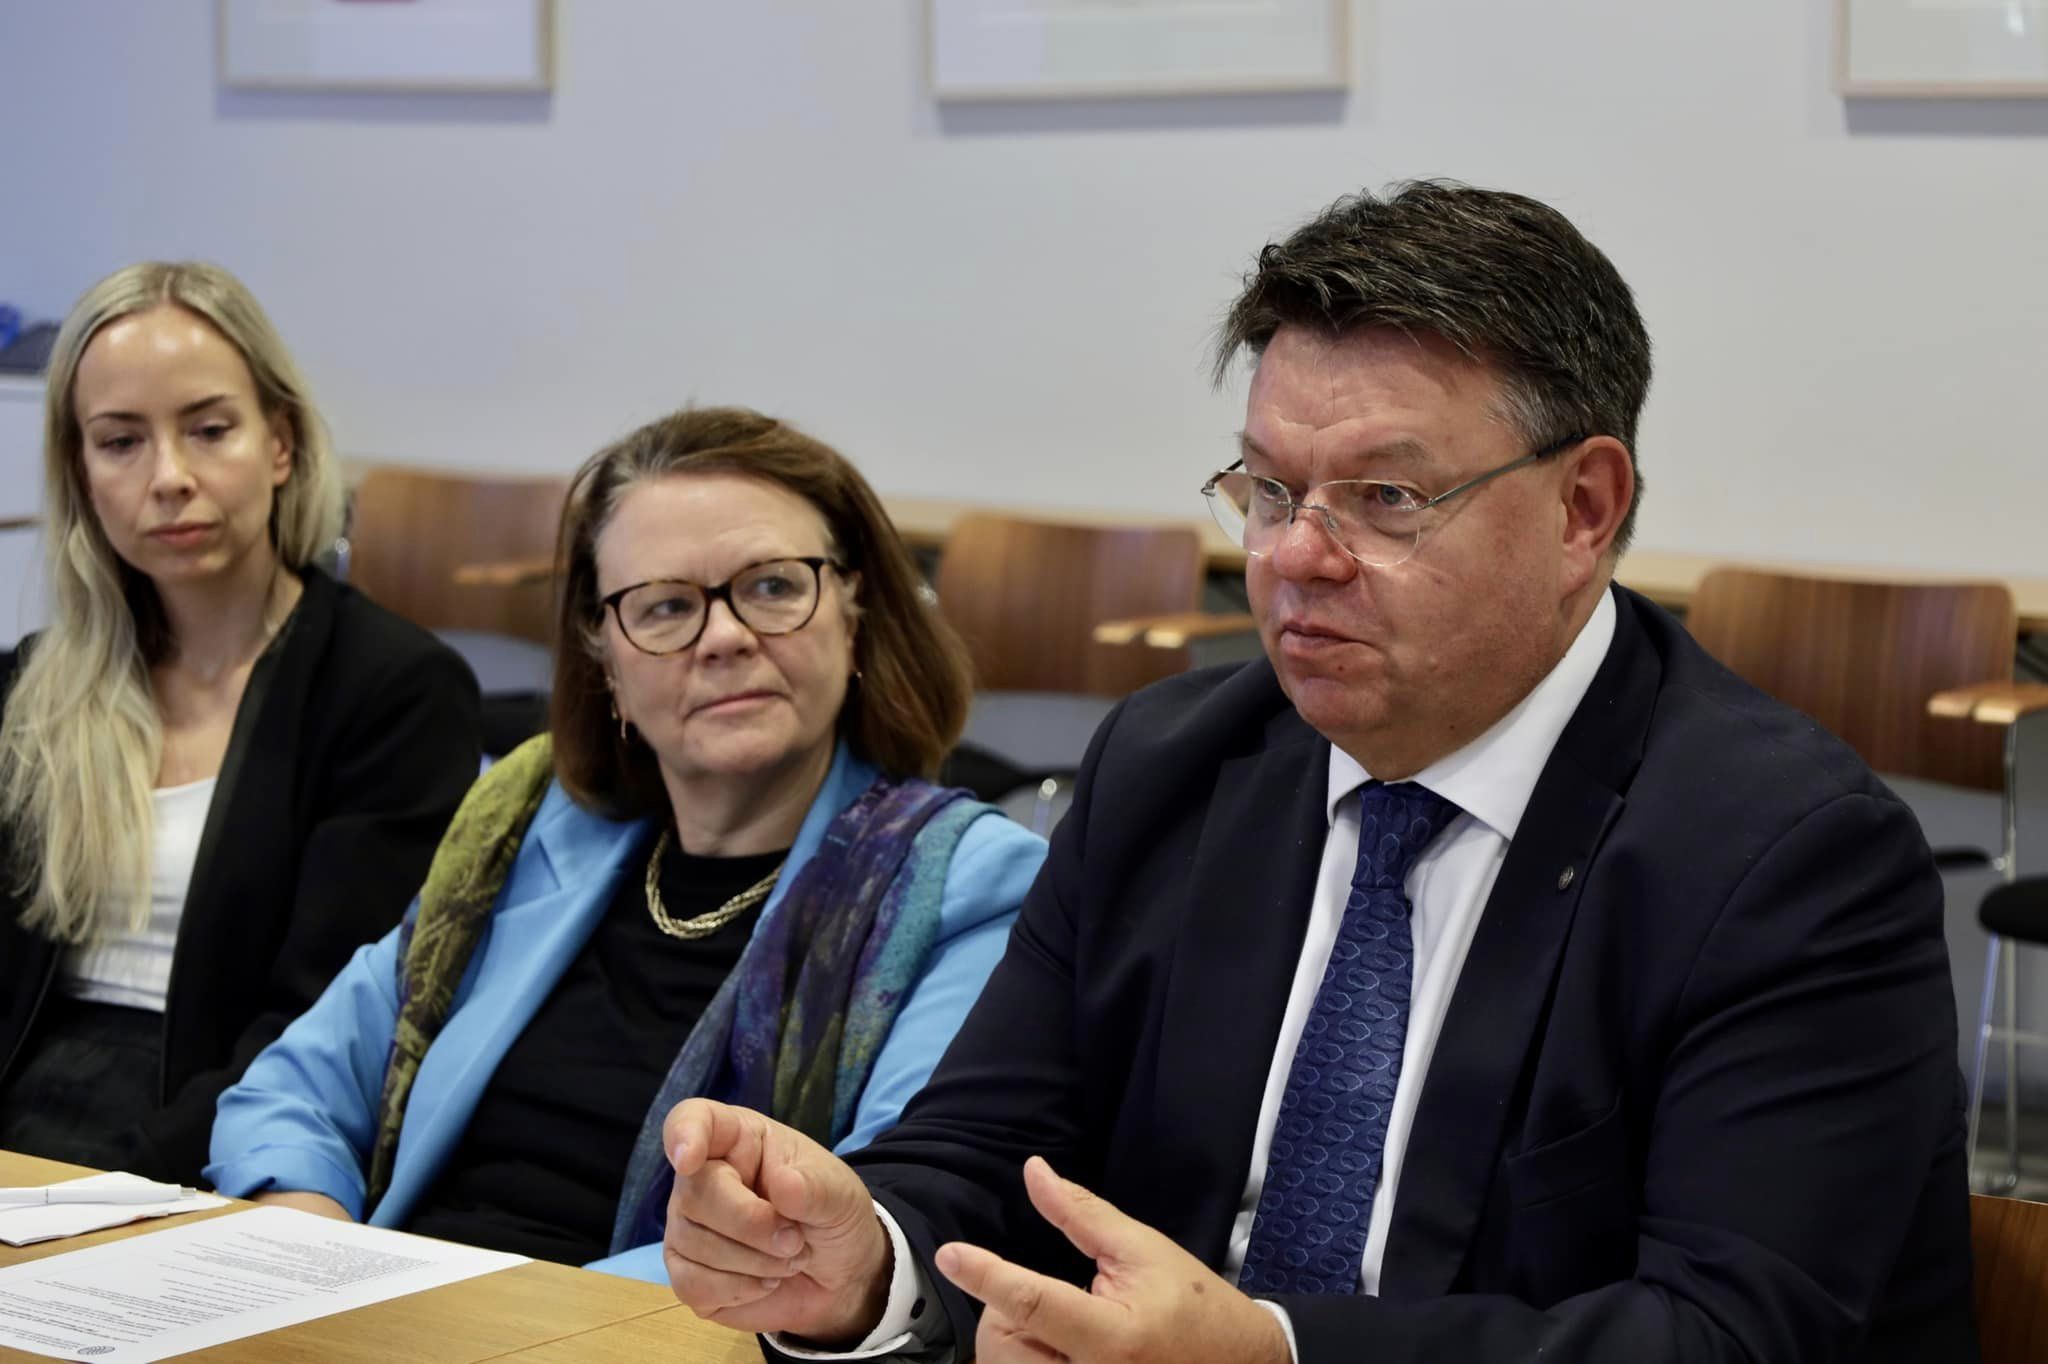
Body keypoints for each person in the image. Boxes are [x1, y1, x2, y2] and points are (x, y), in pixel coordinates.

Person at [658, 183, 1977, 1363]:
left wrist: (1275, 1354)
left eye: (1386, 499)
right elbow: (990, 1149)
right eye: (1270, 491)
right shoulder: (1172, 765)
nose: (1294, 556)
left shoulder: (1785, 853)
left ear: (1584, 507)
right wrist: (863, 1264)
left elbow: (1729, 1331)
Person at [207, 406, 1047, 1276]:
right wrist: (312, 1243)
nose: (725, 638)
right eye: (667, 606)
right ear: (605, 657)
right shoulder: (523, 828)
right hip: (385, 1301)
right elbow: (288, 1093)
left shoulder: (968, 887)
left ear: (853, 608)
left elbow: (881, 1223)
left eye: (772, 587)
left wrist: (491, 1321)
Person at [0, 262, 482, 1184]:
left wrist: (117, 1188)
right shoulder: (28, 688)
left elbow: (324, 1019)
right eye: (120, 441)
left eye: (210, 430)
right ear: (82, 473)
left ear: (281, 445)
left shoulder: (394, 691)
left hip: (225, 1132)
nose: (170, 478)